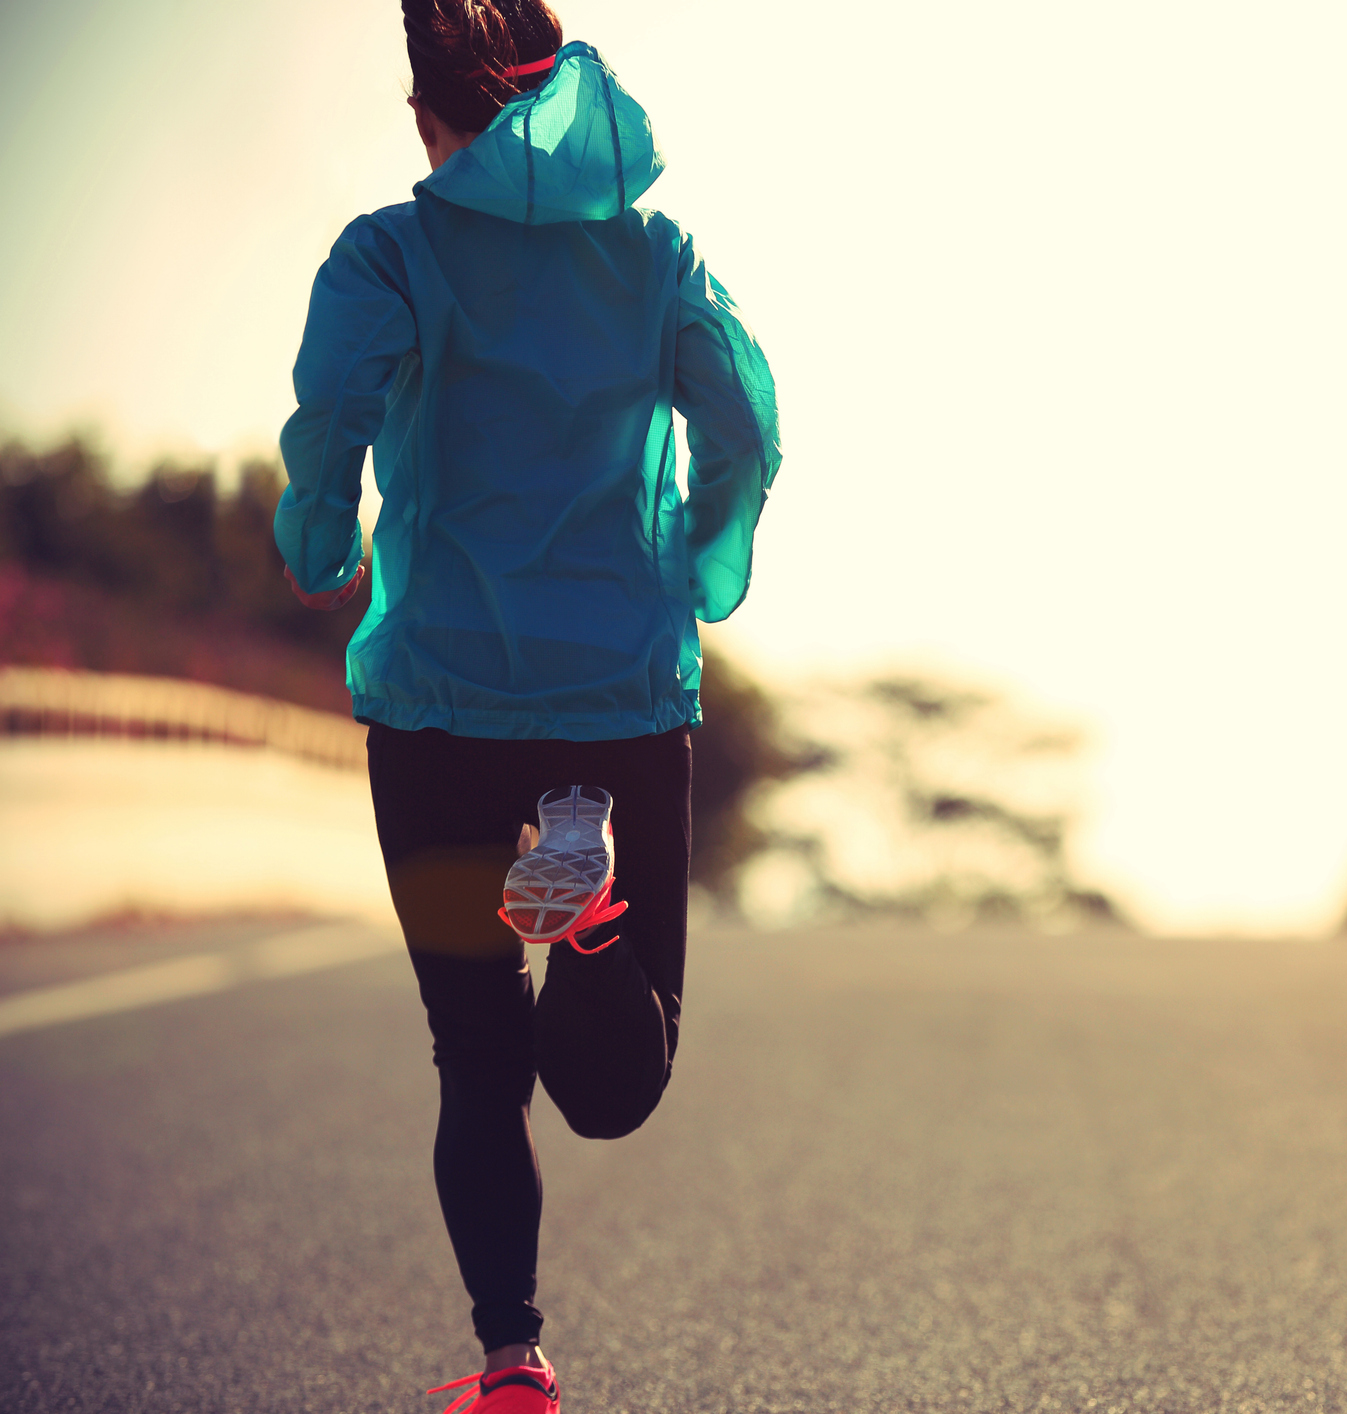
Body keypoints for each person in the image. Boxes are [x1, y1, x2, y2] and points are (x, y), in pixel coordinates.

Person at [274, 2, 780, 1409]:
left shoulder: (390, 249)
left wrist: (321, 534)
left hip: (438, 714)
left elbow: (331, 414)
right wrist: (706, 559)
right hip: (615, 706)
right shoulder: (656, 255)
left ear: (433, 118)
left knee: (475, 1050)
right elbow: (744, 420)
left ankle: (511, 1360)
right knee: (618, 1081)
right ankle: (596, 916)